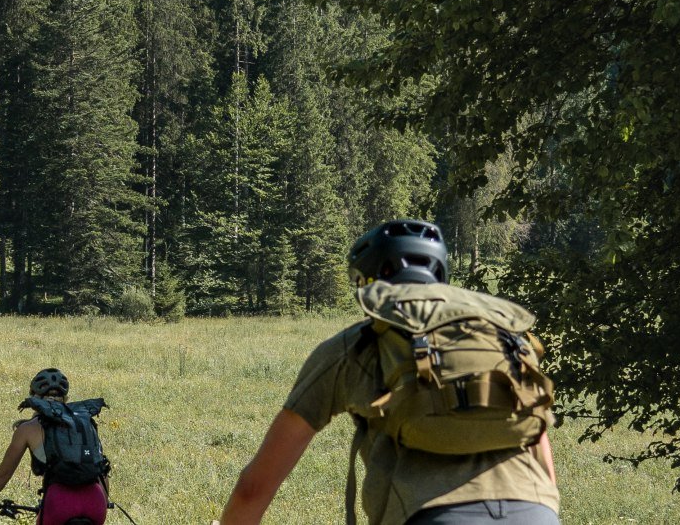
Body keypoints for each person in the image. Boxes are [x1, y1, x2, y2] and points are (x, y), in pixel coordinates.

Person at [219, 219, 560, 525]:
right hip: (536, 512)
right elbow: (538, 440)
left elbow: (254, 488)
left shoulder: (354, 346)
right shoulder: (504, 339)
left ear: (368, 284)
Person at [0, 368, 112, 524]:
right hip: (95, 502)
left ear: (34, 399)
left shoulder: (26, 429)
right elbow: (102, 469)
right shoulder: (83, 423)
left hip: (59, 504)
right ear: (65, 399)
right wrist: (104, 502)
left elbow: (4, 473)